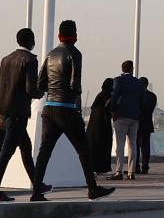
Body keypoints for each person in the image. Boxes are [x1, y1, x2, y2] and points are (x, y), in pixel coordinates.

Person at [34, 20, 114, 199]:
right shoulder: (74, 54)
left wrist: (54, 90)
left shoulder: (50, 54)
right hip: (67, 109)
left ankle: (36, 190)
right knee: (83, 150)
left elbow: (40, 84)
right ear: (75, 35)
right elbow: (75, 85)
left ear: (59, 35)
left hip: (49, 108)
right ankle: (92, 188)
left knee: (44, 152)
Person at [0, 28, 48, 203]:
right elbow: (30, 88)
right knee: (7, 152)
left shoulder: (5, 59)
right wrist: (39, 93)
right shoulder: (30, 60)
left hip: (4, 111)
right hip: (18, 112)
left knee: (26, 149)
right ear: (31, 41)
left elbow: (1, 86)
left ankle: (38, 186)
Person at [110, 61, 141, 181]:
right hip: (134, 116)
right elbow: (141, 99)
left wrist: (113, 111)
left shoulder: (118, 81)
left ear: (122, 69)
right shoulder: (138, 83)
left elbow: (115, 96)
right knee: (133, 144)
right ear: (132, 69)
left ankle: (118, 171)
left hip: (121, 116)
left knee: (120, 143)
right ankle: (131, 172)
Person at [87, 78, 114, 177]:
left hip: (93, 127)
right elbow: (108, 109)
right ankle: (103, 168)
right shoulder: (108, 96)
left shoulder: (100, 95)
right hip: (103, 126)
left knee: (94, 146)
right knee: (104, 146)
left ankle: (93, 168)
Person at [136, 78, 157, 175]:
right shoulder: (151, 96)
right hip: (138, 124)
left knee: (144, 148)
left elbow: (147, 109)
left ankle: (144, 167)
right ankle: (136, 166)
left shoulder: (150, 96)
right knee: (135, 147)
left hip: (143, 124)